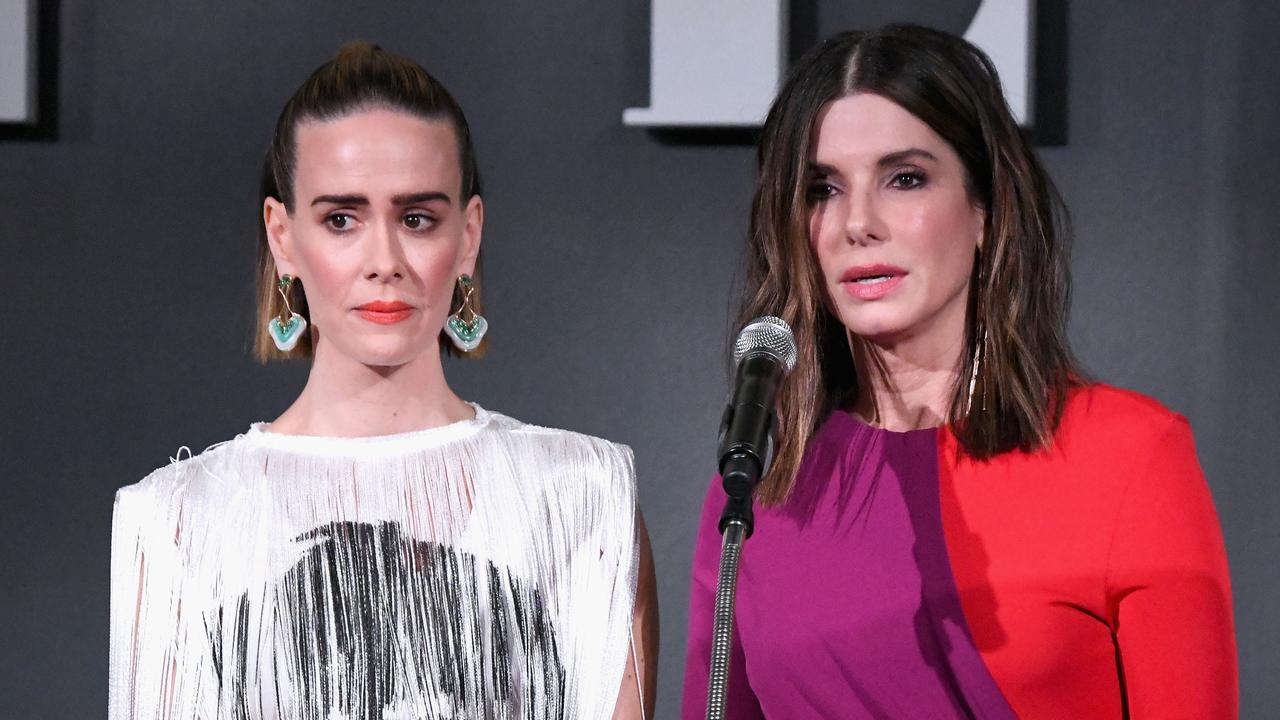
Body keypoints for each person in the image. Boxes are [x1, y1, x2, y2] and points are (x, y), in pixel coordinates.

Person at [683, 25, 1235, 719]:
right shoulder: (754, 496)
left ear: (985, 208)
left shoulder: (1131, 457)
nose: (859, 222)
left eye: (904, 178)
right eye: (822, 188)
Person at [109, 43, 657, 720]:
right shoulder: (176, 523)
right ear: (283, 237)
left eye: (416, 218)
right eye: (342, 219)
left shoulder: (579, 496)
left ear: (469, 234)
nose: (384, 261)